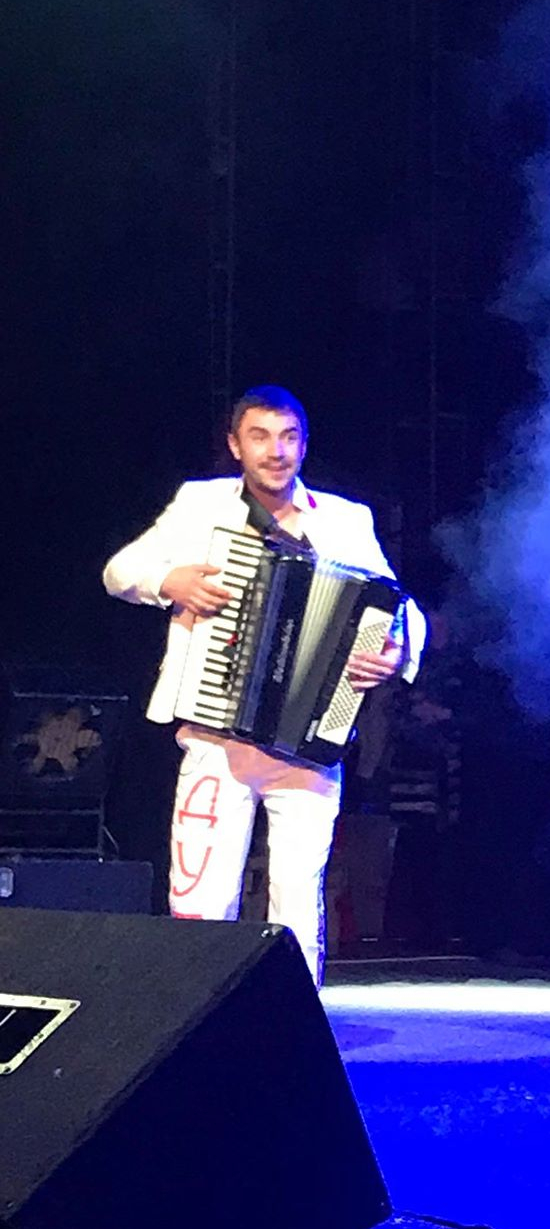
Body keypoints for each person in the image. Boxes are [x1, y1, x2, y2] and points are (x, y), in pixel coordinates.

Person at [103, 385, 426, 985]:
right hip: (214, 735)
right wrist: (169, 580)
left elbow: (399, 607)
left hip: (308, 744)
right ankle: (196, 1015)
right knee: (202, 899)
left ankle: (295, 1018)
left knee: (298, 899)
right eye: (260, 436)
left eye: (288, 437)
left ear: (303, 444)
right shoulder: (201, 505)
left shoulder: (346, 520)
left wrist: (396, 650)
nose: (276, 451)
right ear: (235, 445)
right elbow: (118, 571)